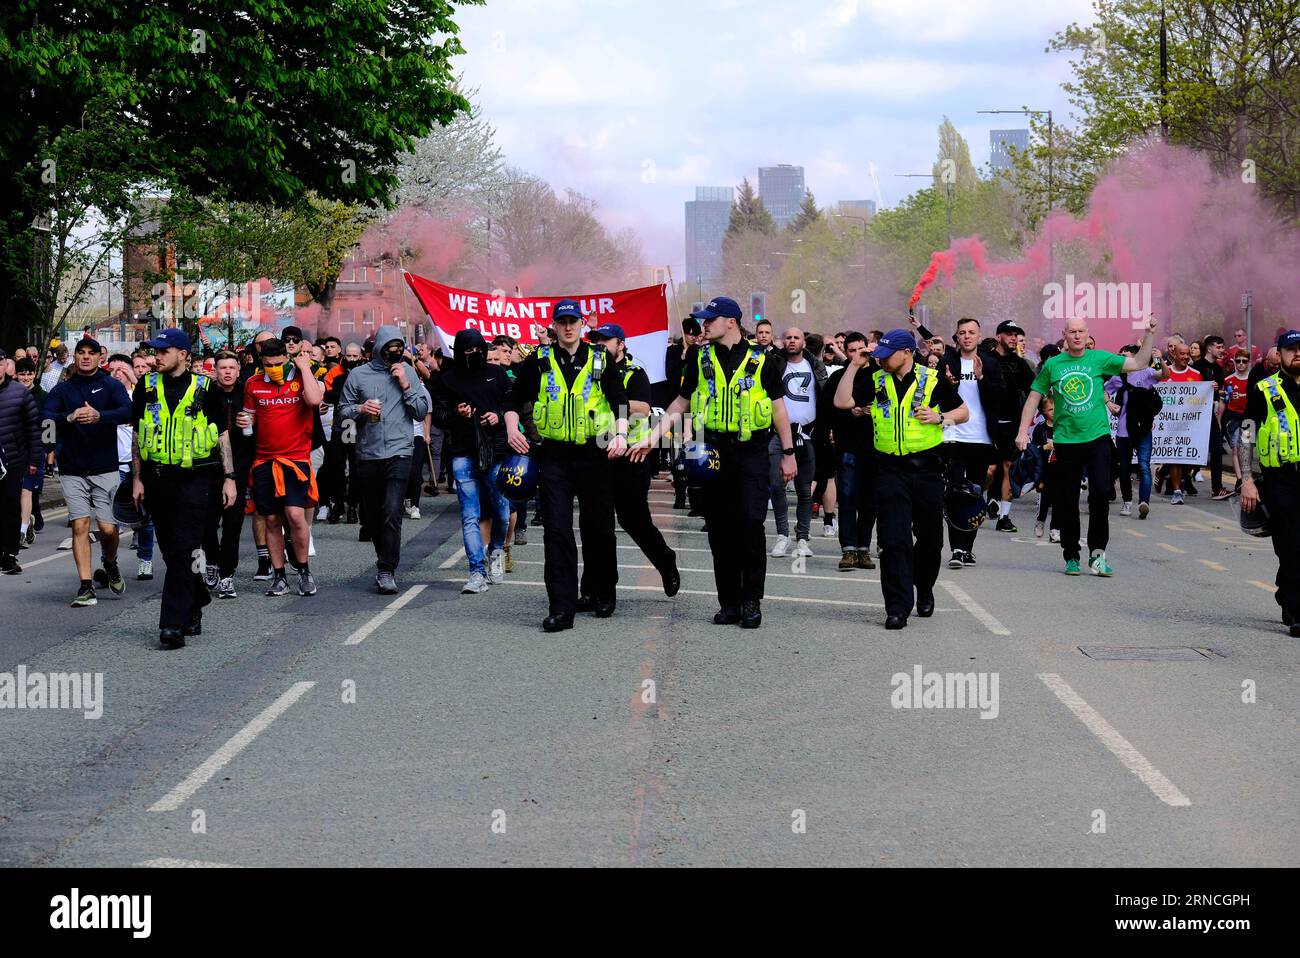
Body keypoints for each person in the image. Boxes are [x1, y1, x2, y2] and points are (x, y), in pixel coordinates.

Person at [635, 296, 795, 629]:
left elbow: (779, 408)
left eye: (711, 319)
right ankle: (730, 602)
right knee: (720, 529)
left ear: (731, 322)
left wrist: (789, 453)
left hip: (751, 451)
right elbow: (680, 404)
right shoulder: (699, 357)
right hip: (713, 452)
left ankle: (751, 600)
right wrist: (653, 436)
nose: (704, 325)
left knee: (750, 523)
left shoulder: (763, 360)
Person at [506, 299, 629, 631]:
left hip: (594, 453)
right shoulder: (540, 360)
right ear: (554, 325)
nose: (568, 326)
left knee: (599, 528)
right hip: (555, 456)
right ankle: (561, 607)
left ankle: (602, 591)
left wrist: (620, 434)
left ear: (583, 323)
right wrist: (511, 428)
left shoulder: (601, 359)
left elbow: (620, 401)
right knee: (556, 531)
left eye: (573, 320)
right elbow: (515, 400)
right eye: (562, 321)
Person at [840, 329, 968, 628]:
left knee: (930, 540)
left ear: (907, 353)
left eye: (888, 354)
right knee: (893, 541)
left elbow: (964, 412)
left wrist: (942, 418)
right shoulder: (875, 378)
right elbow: (842, 401)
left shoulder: (932, 379)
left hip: (927, 471)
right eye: (880, 355)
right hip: (889, 471)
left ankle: (924, 587)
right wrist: (855, 365)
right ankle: (896, 607)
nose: (882, 360)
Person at [1017, 315, 1157, 576]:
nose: (1078, 336)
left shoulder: (1099, 359)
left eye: (1082, 331)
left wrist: (1148, 334)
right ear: (1065, 335)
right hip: (1066, 441)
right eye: (1072, 332)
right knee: (1068, 499)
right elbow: (1034, 396)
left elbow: (1139, 362)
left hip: (1097, 439)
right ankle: (1071, 555)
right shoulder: (1053, 365)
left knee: (1101, 494)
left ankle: (1097, 554)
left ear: (1087, 333)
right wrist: (1023, 431)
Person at [131, 328, 238, 648]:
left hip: (196, 478)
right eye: (154, 352)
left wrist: (230, 477)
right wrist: (136, 478)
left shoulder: (207, 388)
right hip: (156, 477)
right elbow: (137, 434)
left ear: (183, 355)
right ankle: (197, 599)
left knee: (184, 550)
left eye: (163, 351)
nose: (156, 357)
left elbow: (222, 435)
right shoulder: (146, 385)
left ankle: (171, 625)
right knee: (171, 550)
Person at [585, 323, 679, 601]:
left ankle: (665, 561)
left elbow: (642, 408)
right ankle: (596, 589)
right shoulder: (590, 370)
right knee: (595, 524)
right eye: (596, 340)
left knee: (633, 520)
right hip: (596, 453)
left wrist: (609, 400)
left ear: (621, 343)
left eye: (606, 340)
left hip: (630, 455)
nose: (600, 344)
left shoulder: (634, 372)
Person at [338, 325, 431, 594]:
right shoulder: (358, 375)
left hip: (400, 450)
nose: (394, 354)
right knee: (373, 515)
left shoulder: (408, 371)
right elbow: (342, 413)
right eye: (389, 349)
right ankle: (384, 558)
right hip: (368, 453)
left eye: (399, 349)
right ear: (378, 348)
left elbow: (420, 411)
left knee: (392, 510)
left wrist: (406, 385)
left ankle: (386, 568)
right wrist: (360, 408)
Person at [43, 338, 134, 606]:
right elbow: (44, 418)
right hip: (72, 468)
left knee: (108, 529)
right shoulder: (64, 390)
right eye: (80, 353)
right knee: (80, 524)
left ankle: (110, 562)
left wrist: (100, 416)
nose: (85, 357)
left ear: (99, 358)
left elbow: (128, 411)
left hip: (106, 467)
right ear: (74, 357)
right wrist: (67, 418)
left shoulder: (111, 385)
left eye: (91, 354)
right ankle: (85, 586)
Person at [429, 328, 512, 593]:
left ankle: (497, 549)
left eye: (478, 350)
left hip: (496, 450)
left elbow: (512, 404)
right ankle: (476, 571)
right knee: (470, 514)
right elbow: (439, 414)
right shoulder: (448, 379)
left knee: (501, 510)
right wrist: (456, 413)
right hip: (463, 451)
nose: (473, 355)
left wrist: (497, 416)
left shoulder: (497, 374)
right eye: (468, 351)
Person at [241, 338, 323, 597]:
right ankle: (279, 576)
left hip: (296, 460)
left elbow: (313, 401)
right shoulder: (253, 384)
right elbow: (248, 422)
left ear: (287, 359)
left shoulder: (300, 376)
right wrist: (245, 420)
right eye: (268, 365)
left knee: (296, 516)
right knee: (272, 519)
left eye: (278, 364)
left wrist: (305, 368)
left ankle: (304, 571)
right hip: (264, 461)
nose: (274, 368)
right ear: (261, 362)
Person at [1238, 329, 1300, 637]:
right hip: (1281, 478)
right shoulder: (1265, 389)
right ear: (1280, 354)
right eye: (1292, 349)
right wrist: (1247, 479)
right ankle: (1296, 609)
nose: (1298, 354)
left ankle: (1286, 592)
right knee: (1290, 544)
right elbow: (1247, 433)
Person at [936, 318, 999, 569]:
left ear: (980, 336)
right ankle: (957, 549)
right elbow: (933, 395)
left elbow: (1001, 397)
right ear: (957, 337)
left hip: (981, 437)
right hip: (952, 434)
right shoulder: (946, 363)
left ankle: (968, 547)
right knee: (954, 491)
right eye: (962, 332)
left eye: (972, 332)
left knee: (974, 492)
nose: (967, 336)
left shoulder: (990, 364)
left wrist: (983, 378)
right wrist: (948, 385)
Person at [769, 327, 824, 559]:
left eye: (796, 337)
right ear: (783, 341)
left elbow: (824, 397)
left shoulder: (815, 366)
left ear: (804, 341)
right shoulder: (773, 364)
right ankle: (782, 536)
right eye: (788, 337)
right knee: (776, 485)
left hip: (807, 434)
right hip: (777, 434)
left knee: (804, 490)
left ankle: (803, 538)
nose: (792, 341)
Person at [823, 332, 876, 571]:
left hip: (874, 445)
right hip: (847, 445)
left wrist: (867, 410)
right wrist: (847, 413)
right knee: (847, 497)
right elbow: (831, 406)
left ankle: (863, 548)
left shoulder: (879, 374)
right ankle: (848, 549)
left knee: (869, 500)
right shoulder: (839, 376)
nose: (857, 355)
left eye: (860, 350)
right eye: (851, 350)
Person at [204, 351, 254, 597]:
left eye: (231, 368)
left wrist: (250, 425)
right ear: (215, 371)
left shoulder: (247, 392)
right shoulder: (205, 393)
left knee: (233, 524)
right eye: (222, 367)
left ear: (238, 370)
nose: (226, 372)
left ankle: (227, 575)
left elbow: (263, 423)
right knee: (208, 522)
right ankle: (211, 561)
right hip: (209, 466)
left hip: (240, 466)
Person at [1104, 343, 1168, 519]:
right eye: (1120, 355)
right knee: (1123, 469)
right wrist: (1109, 404)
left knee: (1144, 466)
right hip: (1123, 431)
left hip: (1143, 429)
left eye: (1125, 355)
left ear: (1135, 357)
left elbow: (1164, 374)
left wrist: (1160, 359)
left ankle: (1144, 502)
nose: (1122, 358)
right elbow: (1102, 390)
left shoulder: (1146, 373)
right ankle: (1127, 501)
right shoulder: (1119, 377)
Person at [0, 349, 43, 574]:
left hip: (12, 460)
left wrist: (35, 458)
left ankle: (9, 553)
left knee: (10, 505)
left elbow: (33, 429)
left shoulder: (19, 393)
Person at [11, 357, 49, 548]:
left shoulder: (42, 396)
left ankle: (22, 532)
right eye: (22, 374)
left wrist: (49, 451)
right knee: (13, 493)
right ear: (16, 375)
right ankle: (26, 522)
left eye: (29, 374)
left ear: (35, 374)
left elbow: (49, 425)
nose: (25, 377)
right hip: (11, 451)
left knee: (27, 491)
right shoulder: (9, 393)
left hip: (34, 450)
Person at [1222, 351, 1251, 492]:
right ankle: (1239, 479)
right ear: (1234, 362)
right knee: (1234, 448)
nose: (1240, 364)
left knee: (1246, 448)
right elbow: (1223, 401)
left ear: (1248, 362)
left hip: (1248, 419)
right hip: (1232, 418)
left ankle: (1246, 477)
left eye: (1244, 361)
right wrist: (1218, 419)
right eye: (1238, 361)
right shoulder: (1228, 380)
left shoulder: (1253, 380)